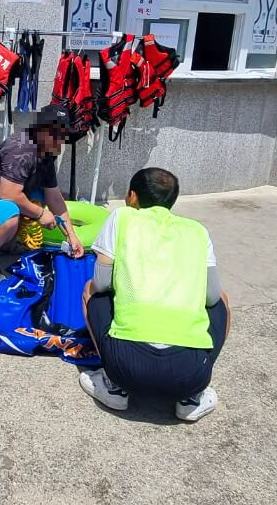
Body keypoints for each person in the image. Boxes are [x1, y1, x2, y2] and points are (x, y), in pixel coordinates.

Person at [79, 167, 230, 423]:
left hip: (126, 369)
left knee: (90, 290)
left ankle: (113, 385)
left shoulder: (122, 217)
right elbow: (212, 296)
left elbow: (102, 283)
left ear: (132, 196)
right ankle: (191, 398)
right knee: (223, 300)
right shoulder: (197, 230)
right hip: (190, 375)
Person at [0, 103, 84, 285]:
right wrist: (40, 213)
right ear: (41, 129)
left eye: (62, 135)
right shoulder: (22, 147)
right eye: (55, 133)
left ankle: (4, 242)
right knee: (9, 211)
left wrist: (71, 236)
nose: (60, 140)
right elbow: (9, 194)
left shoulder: (46, 153)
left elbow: (54, 197)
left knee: (40, 195)